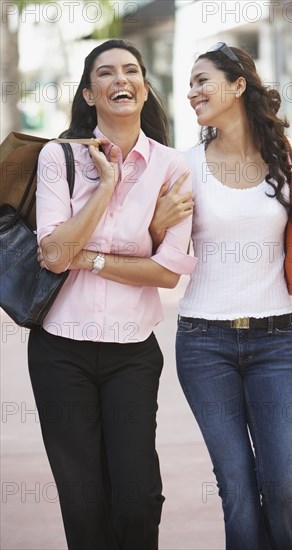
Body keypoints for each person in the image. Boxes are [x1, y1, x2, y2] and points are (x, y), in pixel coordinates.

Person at [150, 43, 292, 550]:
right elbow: (162, 257)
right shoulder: (184, 166)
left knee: (284, 490)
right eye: (189, 83)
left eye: (202, 80)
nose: (192, 92)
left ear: (238, 85)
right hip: (203, 344)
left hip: (274, 343)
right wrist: (156, 224)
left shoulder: (283, 156)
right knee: (236, 488)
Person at [28, 39, 196, 550]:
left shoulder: (174, 166)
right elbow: (54, 255)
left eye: (130, 71)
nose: (120, 79)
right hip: (61, 350)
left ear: (145, 87)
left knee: (137, 496)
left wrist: (92, 257)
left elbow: (167, 273)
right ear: (88, 94)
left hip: (132, 355)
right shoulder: (59, 158)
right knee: (83, 503)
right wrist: (106, 188)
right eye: (106, 73)